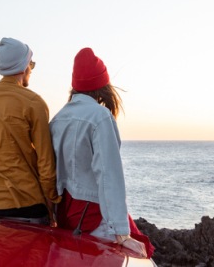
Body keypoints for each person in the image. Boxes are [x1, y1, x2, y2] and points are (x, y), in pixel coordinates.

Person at [49, 47, 154, 258]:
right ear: (101, 85)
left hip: (65, 215)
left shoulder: (58, 118)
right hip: (93, 215)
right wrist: (122, 234)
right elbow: (109, 176)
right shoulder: (100, 117)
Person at [0, 37, 60, 225]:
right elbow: (46, 164)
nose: (32, 68)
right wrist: (52, 204)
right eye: (31, 63)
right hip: (28, 205)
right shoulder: (34, 103)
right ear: (24, 67)